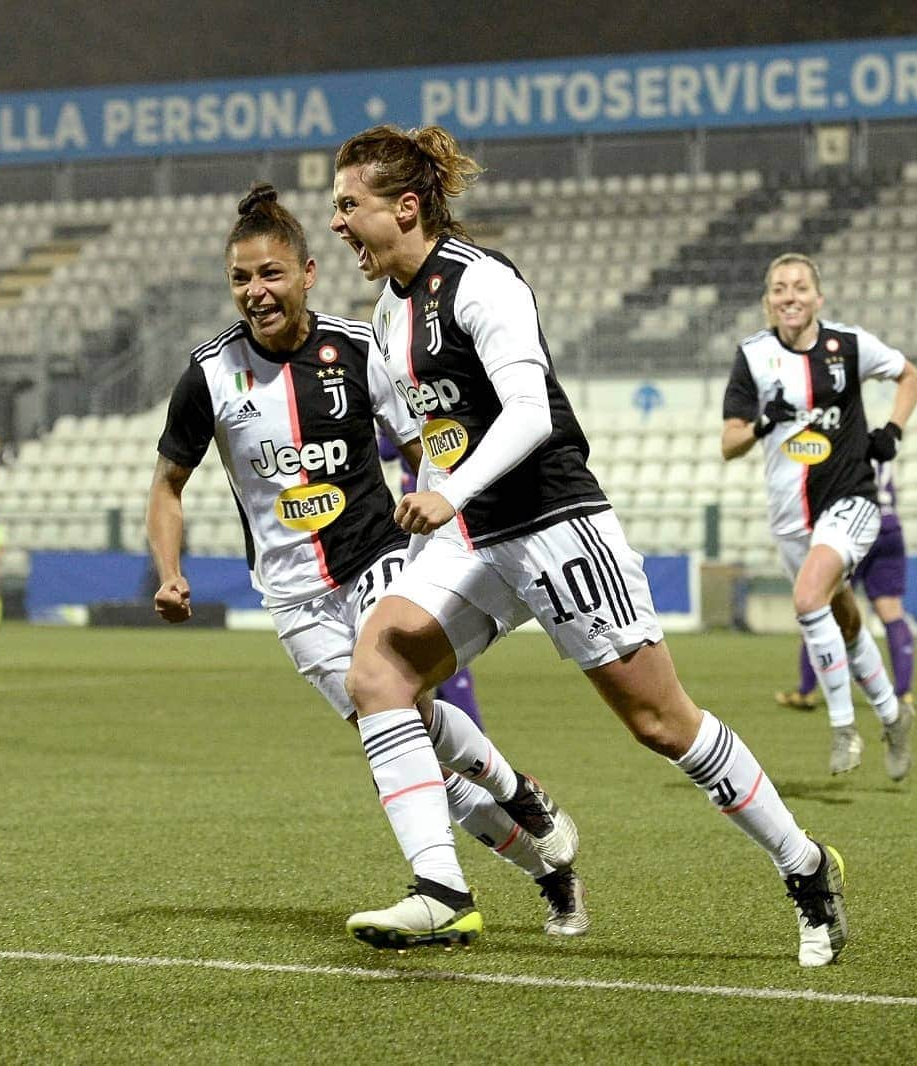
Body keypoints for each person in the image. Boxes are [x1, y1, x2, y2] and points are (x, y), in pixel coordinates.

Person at [330, 124, 847, 967]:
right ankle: (441, 888)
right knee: (377, 668)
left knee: (659, 721)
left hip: (553, 524)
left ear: (407, 206)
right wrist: (429, 484)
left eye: (350, 206)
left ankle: (805, 865)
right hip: (477, 534)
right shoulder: (390, 310)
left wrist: (445, 491)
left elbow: (529, 415)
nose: (340, 224)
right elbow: (443, 426)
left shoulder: (482, 282)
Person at [146, 183, 588, 943]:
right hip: (291, 597)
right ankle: (539, 847)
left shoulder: (359, 349)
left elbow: (424, 446)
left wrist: (439, 516)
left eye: (271, 274)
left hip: (377, 561)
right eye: (241, 279)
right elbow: (167, 484)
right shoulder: (209, 375)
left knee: (391, 704)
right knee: (409, 740)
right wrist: (168, 570)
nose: (256, 292)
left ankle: (440, 889)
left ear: (308, 271)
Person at [722, 252, 917, 781]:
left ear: (818, 297)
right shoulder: (753, 357)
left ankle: (843, 727)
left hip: (851, 500)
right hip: (791, 517)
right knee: (846, 620)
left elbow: (909, 376)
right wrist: (765, 421)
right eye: (780, 288)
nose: (790, 296)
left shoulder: (849, 345)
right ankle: (892, 715)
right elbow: (730, 442)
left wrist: (893, 431)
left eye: (800, 287)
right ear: (769, 302)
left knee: (809, 599)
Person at [775, 458, 916, 714]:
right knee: (892, 611)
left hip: (855, 525)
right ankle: (904, 693)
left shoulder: (844, 445)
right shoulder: (878, 445)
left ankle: (806, 690)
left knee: (818, 601)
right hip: (889, 527)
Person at [378, 429, 484, 729]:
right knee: (434, 634)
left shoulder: (408, 415)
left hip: (426, 520)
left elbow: (386, 451)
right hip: (433, 518)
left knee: (430, 633)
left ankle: (465, 730)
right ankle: (457, 729)